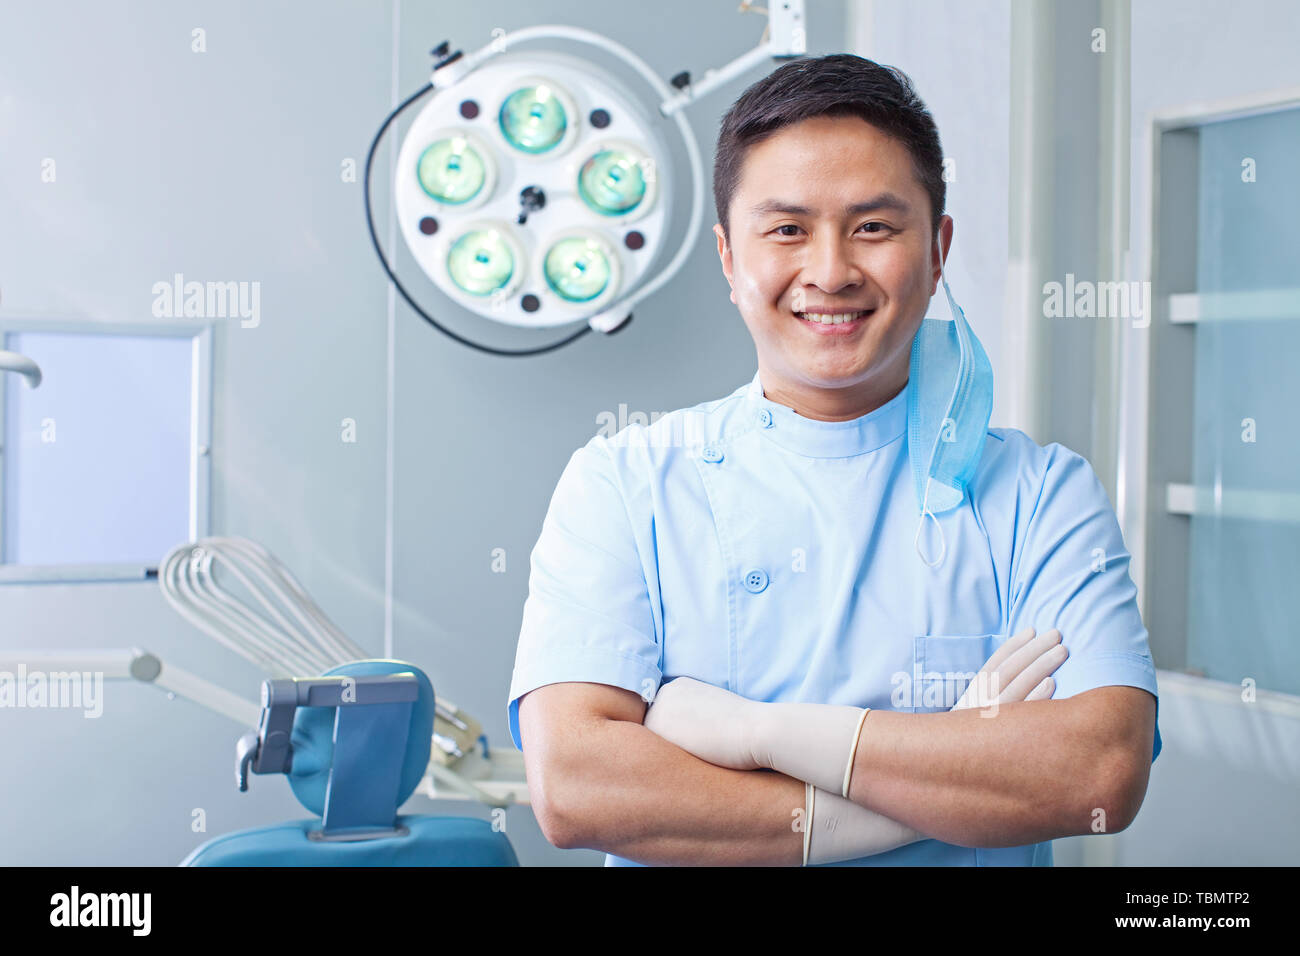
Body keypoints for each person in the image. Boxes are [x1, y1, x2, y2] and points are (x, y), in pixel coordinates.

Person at [506, 53, 1160, 866]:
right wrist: (952, 766)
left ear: (938, 249)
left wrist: (758, 732)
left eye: (874, 227)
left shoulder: (1040, 495)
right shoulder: (622, 483)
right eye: (787, 229)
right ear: (729, 258)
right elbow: (578, 790)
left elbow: (1096, 775)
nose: (830, 271)